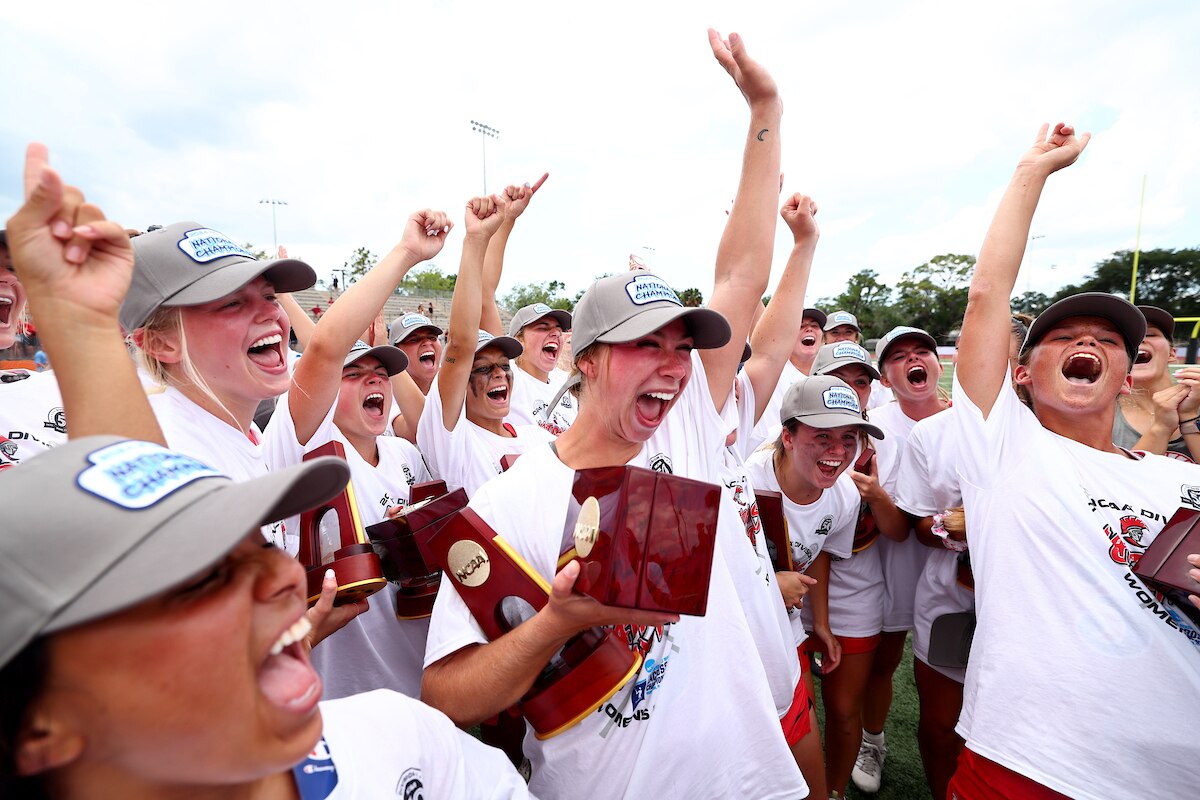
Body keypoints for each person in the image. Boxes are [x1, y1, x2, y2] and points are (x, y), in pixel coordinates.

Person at [422, 29, 807, 800]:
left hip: (746, 781)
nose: (673, 364)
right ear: (587, 361)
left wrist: (764, 110)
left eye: (681, 346)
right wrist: (557, 621)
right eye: (644, 345)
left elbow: (740, 273)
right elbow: (446, 695)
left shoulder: (689, 423)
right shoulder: (511, 499)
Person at [950, 122, 1199, 799]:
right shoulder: (1005, 450)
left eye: (1109, 341)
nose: (1087, 342)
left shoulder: (1182, 480)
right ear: (1021, 375)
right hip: (1037, 765)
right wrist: (1033, 171)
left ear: (1127, 376)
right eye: (1062, 337)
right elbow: (986, 296)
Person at [264, 209, 451, 700]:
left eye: (381, 374)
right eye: (355, 375)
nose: (375, 381)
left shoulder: (405, 454)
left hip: (419, 683)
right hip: (345, 696)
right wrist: (407, 253)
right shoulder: (308, 450)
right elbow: (323, 349)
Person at [746, 373, 885, 800]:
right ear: (787, 437)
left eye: (848, 438)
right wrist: (770, 585)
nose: (838, 451)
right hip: (739, 633)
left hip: (787, 627)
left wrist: (819, 623)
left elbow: (819, 552)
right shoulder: (746, 483)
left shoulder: (844, 495)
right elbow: (709, 574)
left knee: (799, 737)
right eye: (822, 436)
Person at [852, 325, 950, 795]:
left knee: (950, 672)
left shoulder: (968, 420)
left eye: (921, 351)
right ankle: (872, 740)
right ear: (886, 377)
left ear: (937, 364)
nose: (913, 359)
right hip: (890, 562)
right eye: (898, 356)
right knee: (884, 662)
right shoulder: (873, 425)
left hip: (951, 573)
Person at [416, 194, 553, 495]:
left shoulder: (538, 439)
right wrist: (476, 240)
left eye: (504, 366)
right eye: (483, 369)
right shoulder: (455, 442)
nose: (500, 373)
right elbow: (460, 346)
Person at [1112, 304, 1200, 461]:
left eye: (1150, 334)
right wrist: (1161, 428)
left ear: (1172, 354)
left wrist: (1189, 419)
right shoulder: (1100, 415)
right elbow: (1118, 477)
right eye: (1126, 337)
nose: (1139, 339)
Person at [390, 311, 444, 396]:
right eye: (413, 340)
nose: (427, 342)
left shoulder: (457, 387)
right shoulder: (385, 397)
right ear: (396, 353)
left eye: (432, 337)